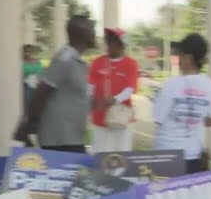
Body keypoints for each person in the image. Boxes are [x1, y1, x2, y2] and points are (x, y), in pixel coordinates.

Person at [14, 15, 96, 153]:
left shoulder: (76, 61)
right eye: (91, 29)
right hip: (60, 139)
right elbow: (42, 91)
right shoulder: (65, 59)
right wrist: (27, 126)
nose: (94, 33)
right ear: (81, 32)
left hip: (72, 137)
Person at [153, 33, 211, 174]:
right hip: (193, 155)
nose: (178, 59)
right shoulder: (210, 85)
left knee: (164, 195)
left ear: (188, 58)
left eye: (180, 55)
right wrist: (195, 118)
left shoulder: (171, 85)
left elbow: (158, 118)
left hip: (166, 154)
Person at [88, 28, 139, 153]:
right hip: (100, 118)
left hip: (121, 118)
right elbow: (90, 86)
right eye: (108, 41)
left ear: (122, 45)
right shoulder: (97, 62)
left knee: (121, 154)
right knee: (100, 154)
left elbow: (130, 88)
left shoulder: (130, 63)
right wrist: (91, 100)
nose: (110, 44)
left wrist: (115, 99)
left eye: (114, 41)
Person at [22, 44, 43, 113]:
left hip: (37, 85)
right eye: (26, 51)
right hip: (26, 86)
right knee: (27, 106)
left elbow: (42, 73)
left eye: (30, 51)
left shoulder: (38, 62)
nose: (28, 53)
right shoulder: (21, 62)